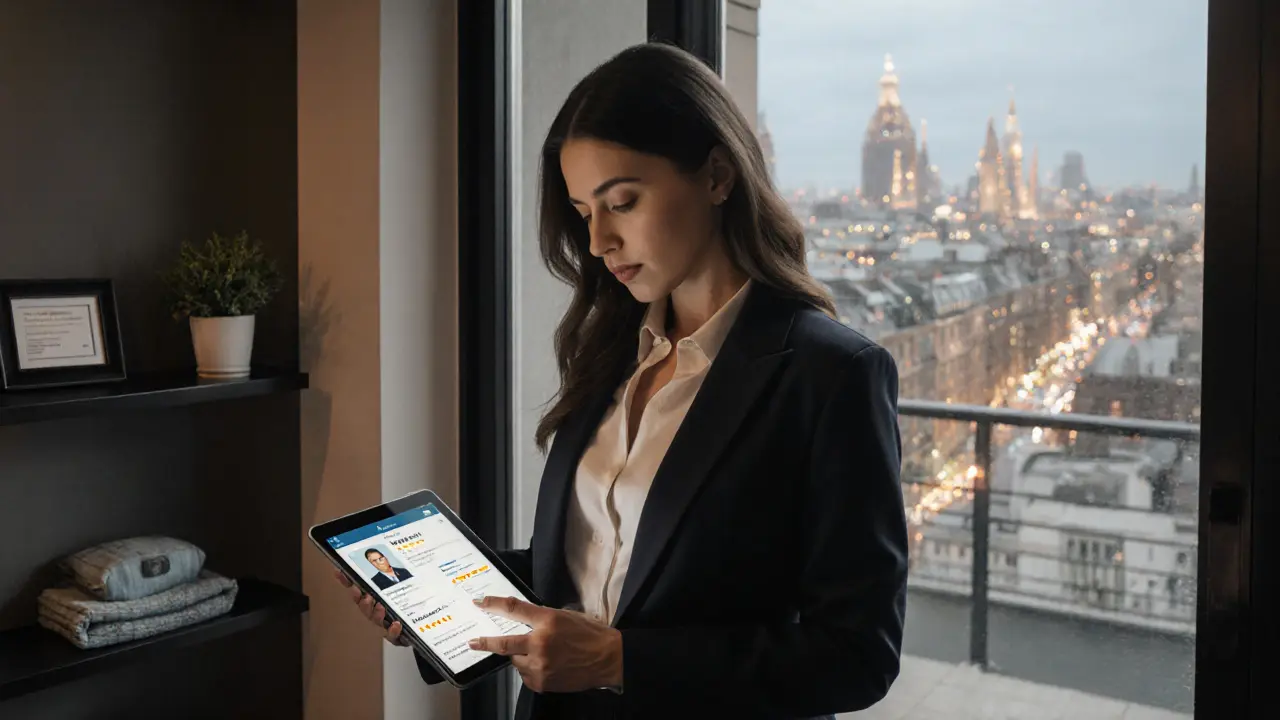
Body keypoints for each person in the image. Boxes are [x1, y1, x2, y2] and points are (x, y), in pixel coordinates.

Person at [336, 41, 908, 719]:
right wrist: (445, 599)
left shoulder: (832, 374)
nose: (599, 240)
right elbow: (597, 576)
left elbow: (857, 655)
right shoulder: (609, 350)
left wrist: (617, 660)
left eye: (623, 201)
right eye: (583, 213)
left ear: (718, 175)